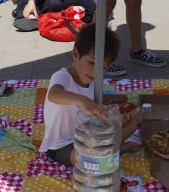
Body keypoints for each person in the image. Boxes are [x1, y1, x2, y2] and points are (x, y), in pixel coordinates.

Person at [40, 23, 139, 167]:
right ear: (75, 55)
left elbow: (94, 102)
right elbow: (54, 94)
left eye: (103, 68)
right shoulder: (63, 76)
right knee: (85, 158)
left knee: (132, 124)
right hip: (61, 145)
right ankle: (116, 149)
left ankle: (111, 149)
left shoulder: (93, 81)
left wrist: (115, 106)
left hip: (88, 136)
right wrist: (82, 101)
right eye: (92, 63)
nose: (96, 72)